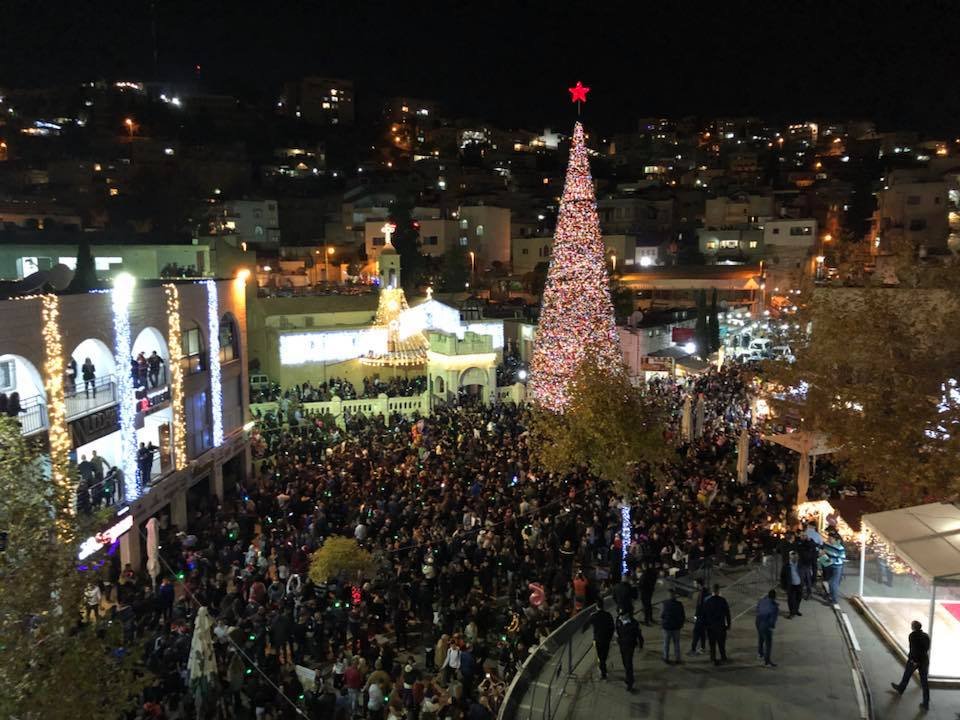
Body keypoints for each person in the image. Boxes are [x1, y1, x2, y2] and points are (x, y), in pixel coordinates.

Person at [891, 620, 930, 710]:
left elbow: (913, 649)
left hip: (914, 661)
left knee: (907, 675)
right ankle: (926, 703)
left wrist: (914, 660)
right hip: (924, 661)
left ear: (913, 627)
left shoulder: (912, 636)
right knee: (924, 682)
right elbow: (927, 648)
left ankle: (901, 688)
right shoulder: (926, 636)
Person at [701, 584, 731, 665]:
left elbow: (703, 615)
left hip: (710, 627)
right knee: (721, 644)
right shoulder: (722, 600)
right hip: (721, 626)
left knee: (712, 644)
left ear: (712, 591)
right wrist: (728, 624)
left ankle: (713, 658)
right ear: (718, 590)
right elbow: (727, 613)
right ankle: (723, 657)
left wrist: (705, 626)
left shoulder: (707, 601)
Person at [584, 600, 614, 679]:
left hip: (598, 639)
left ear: (596, 606)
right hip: (606, 639)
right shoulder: (608, 615)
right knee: (604, 655)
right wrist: (610, 637)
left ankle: (603, 672)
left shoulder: (593, 616)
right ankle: (603, 668)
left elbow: (585, 625)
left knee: (600, 656)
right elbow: (612, 627)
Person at [615, 611, 642, 691]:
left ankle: (630, 682)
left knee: (628, 663)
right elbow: (617, 631)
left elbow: (639, 634)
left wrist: (641, 644)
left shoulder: (634, 623)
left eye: (622, 615)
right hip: (622, 645)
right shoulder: (618, 621)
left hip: (630, 646)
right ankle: (628, 676)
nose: (620, 617)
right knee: (625, 662)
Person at [660, 589, 685, 664]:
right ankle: (677, 658)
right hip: (676, 627)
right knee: (676, 643)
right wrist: (681, 624)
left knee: (666, 643)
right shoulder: (679, 604)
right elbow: (683, 616)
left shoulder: (664, 604)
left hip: (667, 627)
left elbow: (662, 615)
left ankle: (666, 657)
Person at [755, 589, 779, 667]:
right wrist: (771, 627)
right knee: (768, 644)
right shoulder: (774, 606)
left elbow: (757, 609)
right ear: (774, 597)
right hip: (766, 625)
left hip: (758, 622)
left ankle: (760, 653)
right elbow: (772, 619)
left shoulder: (761, 601)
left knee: (761, 638)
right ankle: (767, 662)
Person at [781, 550, 804, 618]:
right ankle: (792, 613)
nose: (795, 558)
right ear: (790, 557)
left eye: (796, 556)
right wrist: (784, 586)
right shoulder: (786, 565)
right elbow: (782, 576)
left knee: (799, 598)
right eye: (793, 556)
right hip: (791, 585)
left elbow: (803, 573)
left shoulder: (800, 564)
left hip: (799, 585)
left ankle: (796, 610)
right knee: (791, 600)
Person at [689, 579, 708, 655]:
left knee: (696, 633)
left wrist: (696, 616)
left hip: (701, 617)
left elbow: (700, 606)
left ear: (699, 584)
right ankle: (702, 648)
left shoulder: (702, 593)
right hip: (704, 617)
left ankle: (693, 649)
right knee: (702, 633)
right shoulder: (705, 592)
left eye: (695, 583)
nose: (694, 585)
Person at [639, 561, 658, 626]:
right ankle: (650, 618)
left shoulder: (644, 575)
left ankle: (646, 620)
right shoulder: (652, 573)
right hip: (650, 591)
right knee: (649, 605)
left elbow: (641, 585)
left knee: (646, 606)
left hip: (645, 592)